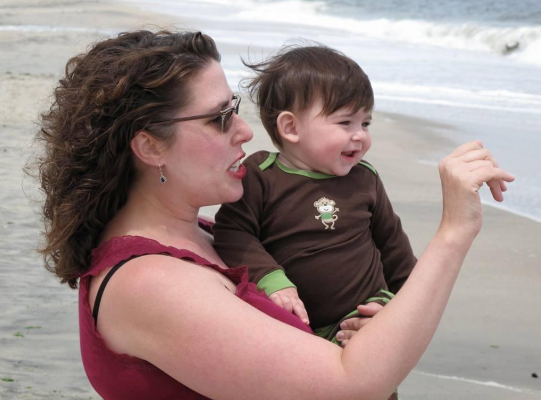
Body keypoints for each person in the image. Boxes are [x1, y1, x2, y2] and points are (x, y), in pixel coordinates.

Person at [32, 29, 514, 400]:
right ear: (150, 146)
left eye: (236, 108)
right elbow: (350, 387)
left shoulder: (200, 237)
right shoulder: (150, 283)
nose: (244, 130)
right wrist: (455, 230)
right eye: (220, 117)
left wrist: (376, 321)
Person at [213, 45, 417, 341]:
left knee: (371, 383)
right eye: (345, 122)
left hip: (365, 316)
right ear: (291, 127)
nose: (359, 134)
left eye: (366, 123)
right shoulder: (262, 175)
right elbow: (233, 232)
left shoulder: (365, 178)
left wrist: (404, 306)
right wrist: (273, 281)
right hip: (295, 327)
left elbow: (394, 247)